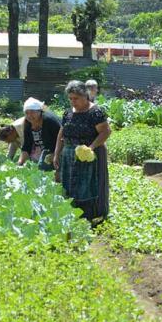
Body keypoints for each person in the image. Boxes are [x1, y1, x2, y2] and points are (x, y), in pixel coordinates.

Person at [53, 81, 111, 223]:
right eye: (70, 98)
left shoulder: (95, 112)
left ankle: (92, 214)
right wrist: (56, 154)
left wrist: (90, 148)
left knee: (89, 184)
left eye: (76, 98)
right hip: (69, 154)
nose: (73, 102)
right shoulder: (68, 113)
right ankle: (72, 212)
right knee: (70, 183)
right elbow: (62, 133)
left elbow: (106, 131)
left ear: (85, 96)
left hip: (90, 156)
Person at [19, 97, 61, 171]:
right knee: (41, 169)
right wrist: (20, 164)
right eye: (26, 113)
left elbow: (63, 138)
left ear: (39, 111)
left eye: (32, 112)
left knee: (46, 169)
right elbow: (26, 146)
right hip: (47, 151)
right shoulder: (28, 123)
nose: (29, 116)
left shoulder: (49, 121)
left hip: (61, 150)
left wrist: (56, 154)